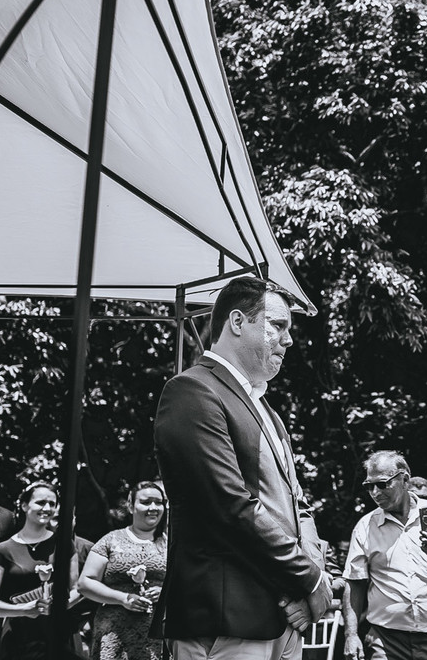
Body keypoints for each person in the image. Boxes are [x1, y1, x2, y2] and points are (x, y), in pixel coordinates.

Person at [152, 276, 333, 660]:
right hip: (226, 618)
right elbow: (228, 505)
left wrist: (313, 574)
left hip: (285, 618)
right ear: (237, 322)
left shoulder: (269, 413)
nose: (288, 340)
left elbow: (299, 506)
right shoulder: (193, 390)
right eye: (278, 326)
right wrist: (309, 578)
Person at [342, 450, 427, 660]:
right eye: (369, 486)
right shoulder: (365, 527)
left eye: (383, 484)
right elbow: (354, 583)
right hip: (386, 642)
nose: (375, 492)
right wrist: (351, 634)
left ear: (404, 479)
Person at [78, 480, 168, 660]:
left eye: (158, 502)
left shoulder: (172, 544)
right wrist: (122, 599)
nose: (153, 507)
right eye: (145, 502)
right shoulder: (111, 540)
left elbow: (189, 586)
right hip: (115, 634)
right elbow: (85, 583)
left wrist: (165, 594)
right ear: (131, 506)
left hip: (160, 635)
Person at [0, 481, 77, 658]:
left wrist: (58, 607)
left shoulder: (64, 545)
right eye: (41, 502)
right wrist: (23, 610)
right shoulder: (3, 550)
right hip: (18, 639)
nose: (47, 508)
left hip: (59, 635)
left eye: (52, 504)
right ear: (25, 505)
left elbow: (77, 589)